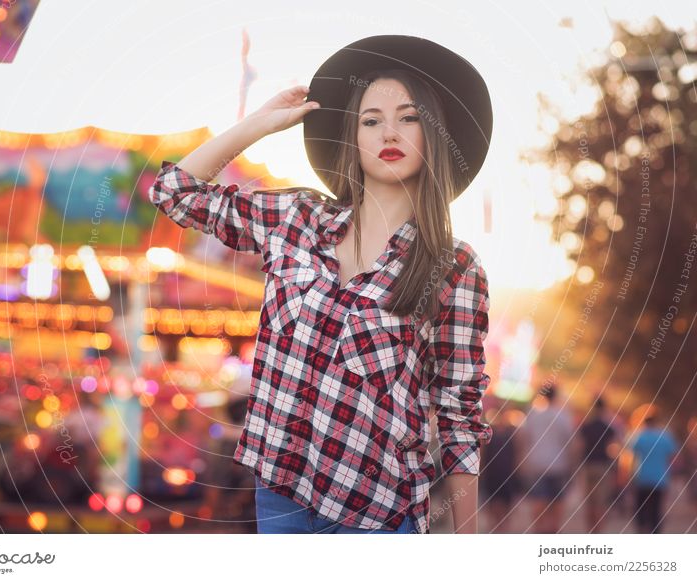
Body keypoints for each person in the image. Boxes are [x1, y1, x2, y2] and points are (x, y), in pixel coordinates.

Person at [148, 34, 494, 534]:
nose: (388, 132)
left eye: (409, 117)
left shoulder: (455, 267)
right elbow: (174, 192)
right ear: (352, 138)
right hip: (280, 496)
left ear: (434, 134)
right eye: (370, 120)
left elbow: (458, 415)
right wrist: (259, 125)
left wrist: (466, 545)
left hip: (377, 514)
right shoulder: (297, 220)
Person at [516, 382, 576, 533]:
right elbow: (571, 442)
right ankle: (554, 528)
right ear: (555, 396)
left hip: (536, 463)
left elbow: (523, 439)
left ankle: (539, 528)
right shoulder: (563, 416)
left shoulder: (532, 414)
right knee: (558, 499)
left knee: (538, 498)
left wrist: (521, 461)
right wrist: (572, 464)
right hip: (559, 464)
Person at [629, 411, 679, 534]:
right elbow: (673, 457)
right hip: (660, 479)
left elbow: (633, 456)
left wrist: (630, 476)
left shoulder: (640, 437)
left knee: (640, 508)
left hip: (643, 478)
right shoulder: (665, 437)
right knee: (656, 509)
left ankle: (642, 530)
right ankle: (656, 533)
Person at [576, 397, 618, 533]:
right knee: (600, 501)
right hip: (603, 466)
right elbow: (613, 448)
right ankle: (598, 532)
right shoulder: (608, 427)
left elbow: (580, 446)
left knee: (589, 500)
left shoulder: (586, 426)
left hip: (588, 466)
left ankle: (590, 529)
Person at [480, 408, 520, 533]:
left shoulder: (511, 433)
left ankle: (503, 528)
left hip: (507, 473)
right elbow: (483, 453)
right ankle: (495, 527)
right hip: (492, 473)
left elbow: (517, 454)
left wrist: (517, 469)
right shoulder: (489, 435)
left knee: (506, 502)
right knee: (492, 501)